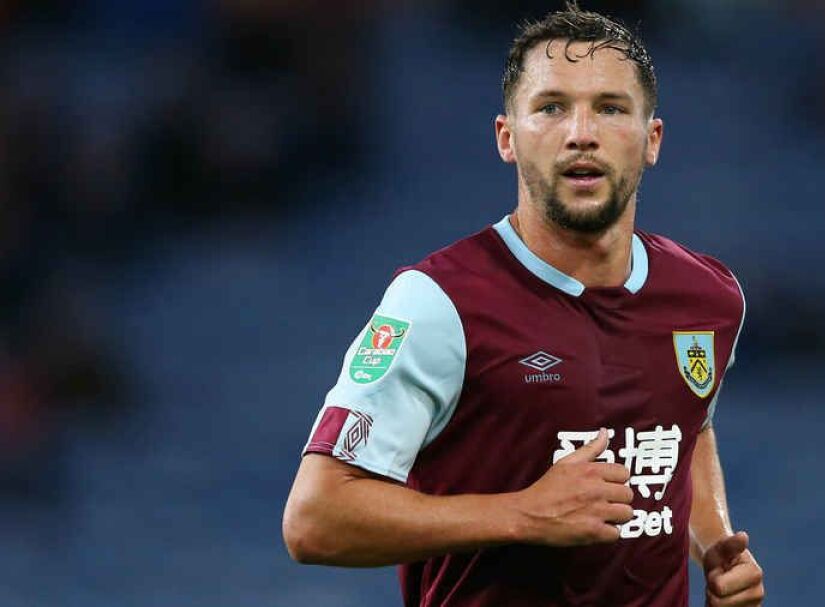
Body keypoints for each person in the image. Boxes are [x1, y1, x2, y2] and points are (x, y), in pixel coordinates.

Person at [283, 3, 765, 606]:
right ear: (507, 138)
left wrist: (715, 545)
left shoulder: (708, 297)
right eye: (551, 107)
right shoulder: (440, 303)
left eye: (611, 108)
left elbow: (688, 425)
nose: (581, 132)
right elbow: (314, 519)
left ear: (652, 140)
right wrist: (523, 514)